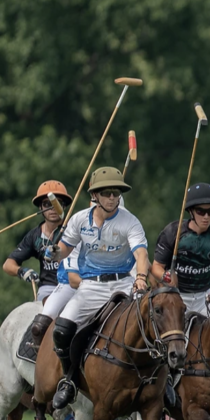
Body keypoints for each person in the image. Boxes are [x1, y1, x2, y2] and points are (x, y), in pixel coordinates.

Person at [45, 166, 150, 409]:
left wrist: (141, 277)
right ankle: (69, 379)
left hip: (123, 284)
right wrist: (54, 251)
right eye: (106, 193)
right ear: (95, 196)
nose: (112, 197)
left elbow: (141, 253)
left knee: (151, 325)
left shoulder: (130, 221)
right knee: (61, 330)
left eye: (116, 192)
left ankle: (159, 382)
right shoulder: (80, 219)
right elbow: (64, 250)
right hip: (90, 287)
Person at [151, 182, 210, 315]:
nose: (206, 216)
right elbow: (156, 266)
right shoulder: (173, 232)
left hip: (205, 298)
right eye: (201, 211)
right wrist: (166, 277)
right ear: (190, 211)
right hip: (175, 296)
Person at [4, 181, 74, 302]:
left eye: (57, 203)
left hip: (72, 285)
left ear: (64, 206)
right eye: (47, 204)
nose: (52, 208)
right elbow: (8, 265)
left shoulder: (74, 230)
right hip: (48, 287)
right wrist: (21, 271)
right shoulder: (34, 235)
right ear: (40, 208)